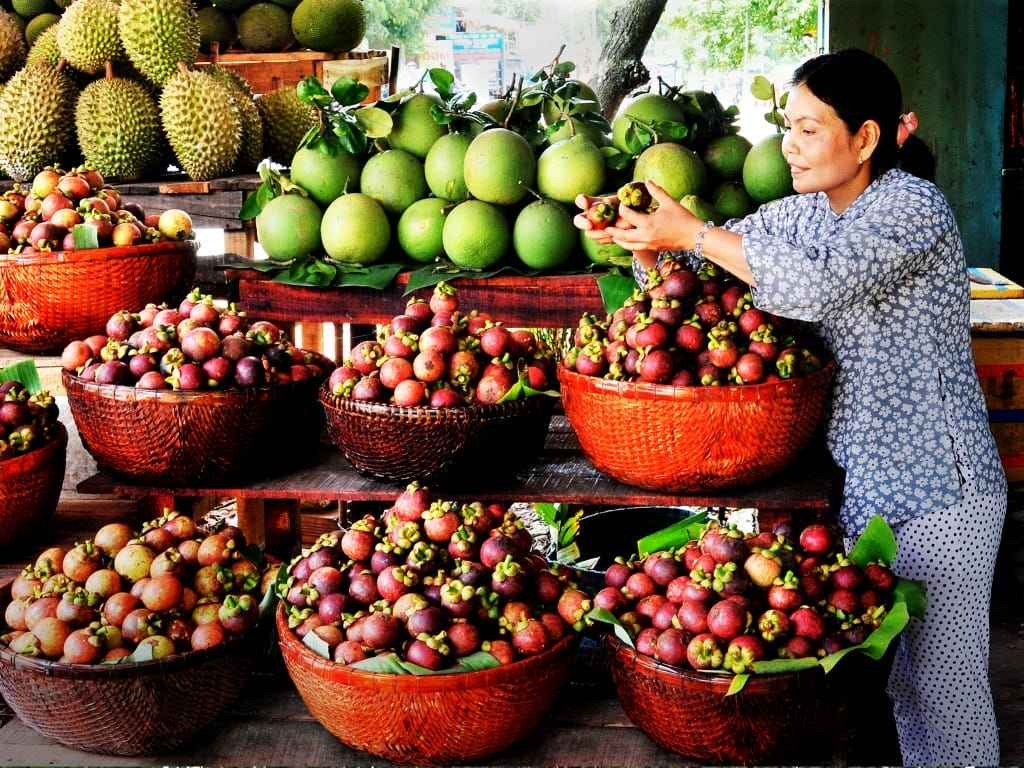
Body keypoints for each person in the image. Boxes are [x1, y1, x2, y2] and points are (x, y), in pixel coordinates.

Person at [576, 48, 1008, 766]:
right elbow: (704, 260)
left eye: (810, 129)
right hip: (864, 487)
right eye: (788, 128)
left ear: (865, 139)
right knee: (898, 686)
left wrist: (692, 233)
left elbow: (814, 287)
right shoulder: (805, 214)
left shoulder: (911, 206)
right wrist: (645, 237)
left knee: (946, 686)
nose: (789, 145)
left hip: (943, 490)